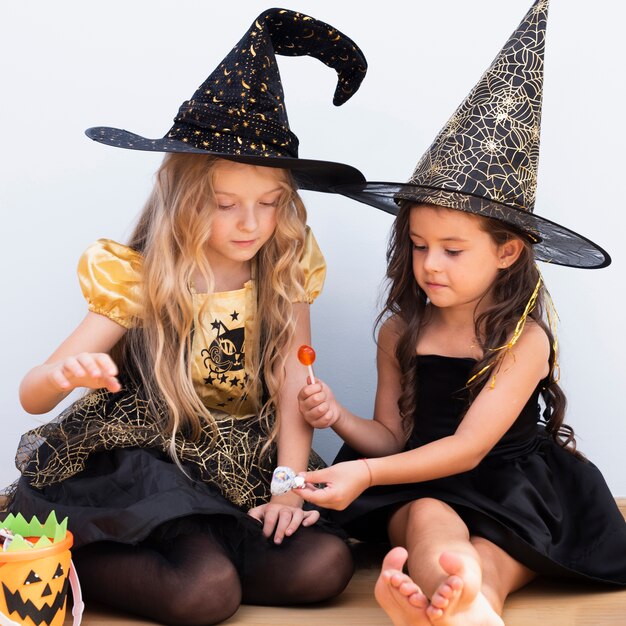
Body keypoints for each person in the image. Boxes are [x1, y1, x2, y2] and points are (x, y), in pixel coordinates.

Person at [7, 8, 368, 625]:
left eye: (270, 204)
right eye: (226, 205)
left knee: (325, 566)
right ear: (183, 199)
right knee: (205, 593)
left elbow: (291, 379)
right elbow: (31, 397)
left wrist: (286, 482)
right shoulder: (142, 276)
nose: (251, 224)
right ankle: (55, 556)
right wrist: (66, 373)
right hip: (156, 459)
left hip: (247, 461)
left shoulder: (284, 270)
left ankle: (217, 553)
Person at [296, 1, 626, 625]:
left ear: (506, 252)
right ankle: (456, 595)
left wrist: (364, 474)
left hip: (515, 485)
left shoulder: (523, 340)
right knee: (426, 522)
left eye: (452, 250)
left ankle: (477, 596)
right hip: (420, 477)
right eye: (419, 246)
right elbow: (395, 437)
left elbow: (469, 449)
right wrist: (339, 417)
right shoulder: (400, 331)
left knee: (500, 548)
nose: (430, 265)